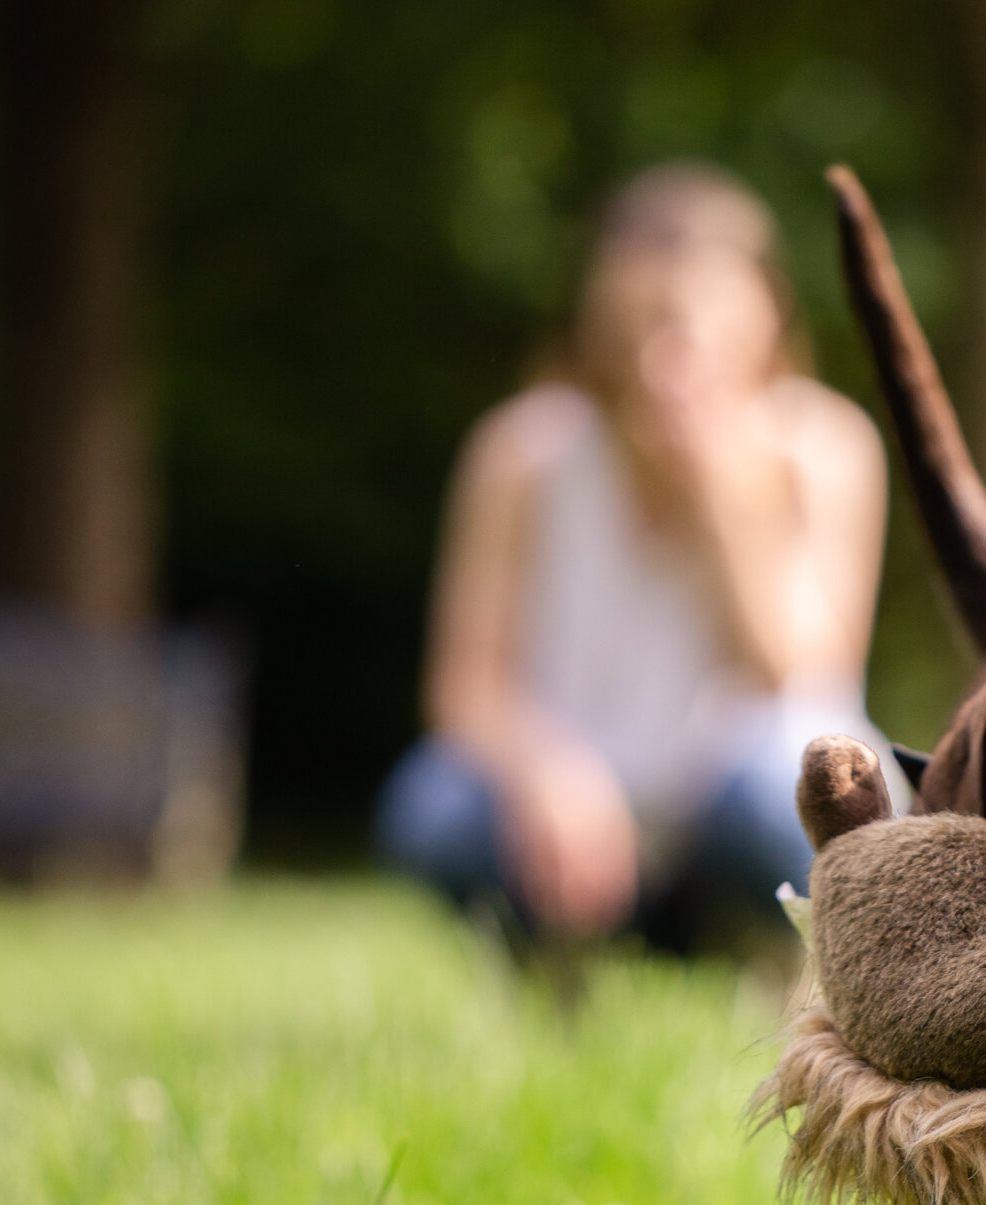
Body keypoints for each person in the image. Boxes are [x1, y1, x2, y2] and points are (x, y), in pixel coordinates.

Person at [376, 163, 898, 953]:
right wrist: (546, 771)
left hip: (738, 798)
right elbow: (465, 684)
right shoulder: (526, 451)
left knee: (780, 795)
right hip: (583, 796)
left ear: (765, 319)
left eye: (692, 327)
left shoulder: (823, 446)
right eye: (641, 326)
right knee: (436, 808)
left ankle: (754, 948)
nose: (666, 359)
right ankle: (559, 949)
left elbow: (798, 671)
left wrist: (722, 498)